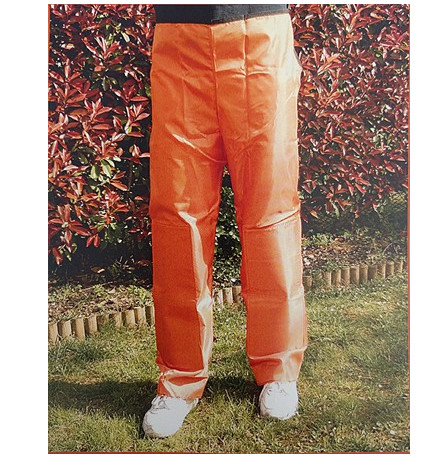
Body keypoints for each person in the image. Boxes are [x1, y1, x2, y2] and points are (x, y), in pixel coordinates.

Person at [143, 4, 308, 438]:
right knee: (178, 213)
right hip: (180, 35)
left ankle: (279, 368)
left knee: (270, 208)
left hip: (260, 30)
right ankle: (179, 378)